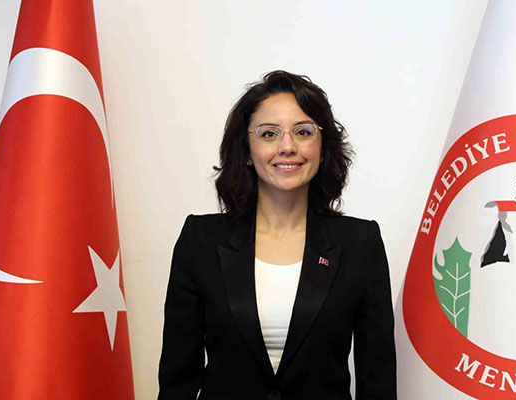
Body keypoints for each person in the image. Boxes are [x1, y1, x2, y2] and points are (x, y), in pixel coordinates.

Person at [158, 70, 396, 400]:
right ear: (246, 150)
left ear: (322, 146)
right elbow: (177, 381)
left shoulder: (361, 243)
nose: (287, 146)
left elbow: (378, 381)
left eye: (303, 132)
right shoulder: (200, 240)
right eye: (269, 133)